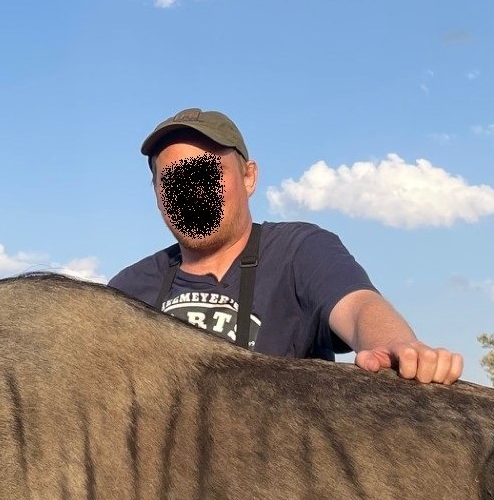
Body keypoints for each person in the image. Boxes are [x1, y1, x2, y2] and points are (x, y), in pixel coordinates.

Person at [107, 108, 464, 383]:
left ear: (249, 177)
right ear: (157, 195)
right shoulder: (127, 290)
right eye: (174, 182)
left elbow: (357, 306)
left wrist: (394, 347)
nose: (192, 193)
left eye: (206, 175)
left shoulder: (300, 251)